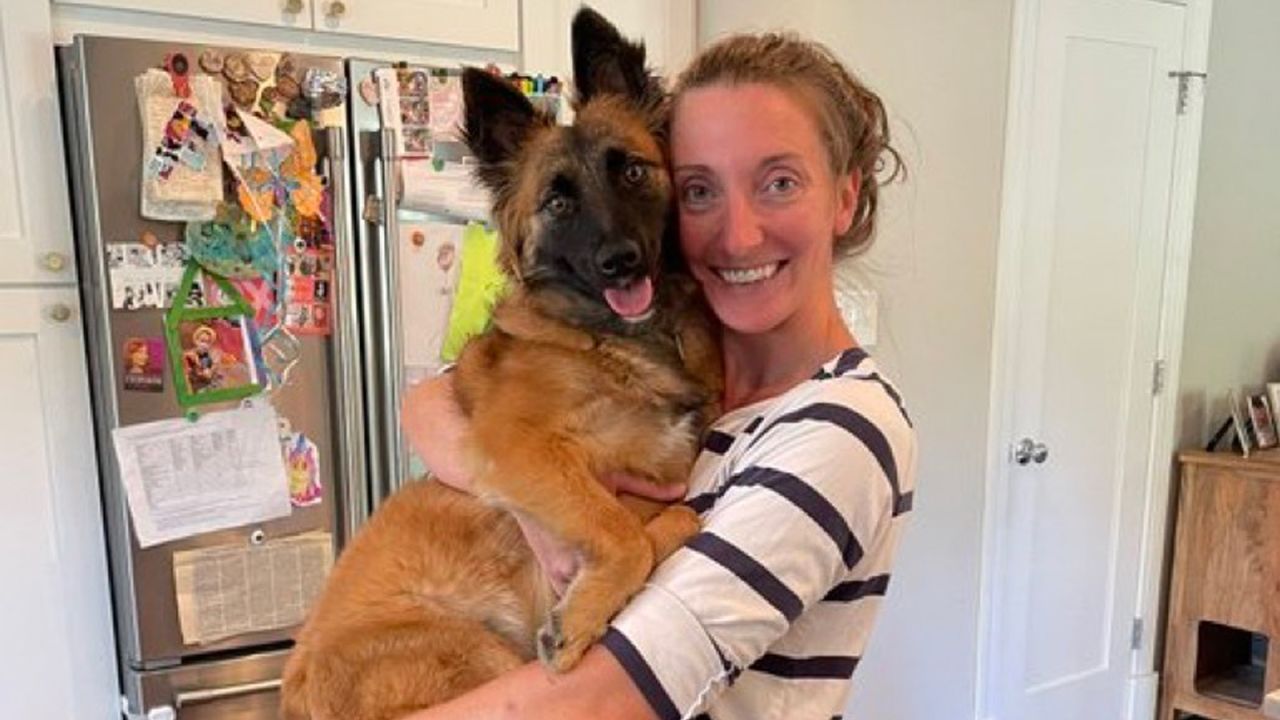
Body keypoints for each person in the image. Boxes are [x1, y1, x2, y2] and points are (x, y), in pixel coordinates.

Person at [400, 30, 916, 720]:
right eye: (701, 190)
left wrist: (605, 539)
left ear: (845, 197)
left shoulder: (839, 434)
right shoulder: (675, 367)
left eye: (780, 183)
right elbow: (440, 400)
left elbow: (608, 694)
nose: (737, 236)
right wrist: (533, 506)